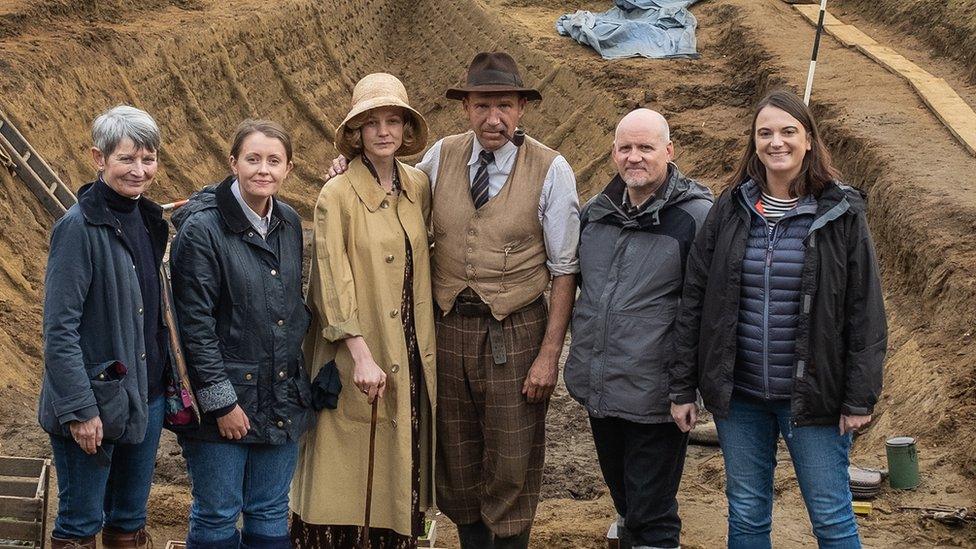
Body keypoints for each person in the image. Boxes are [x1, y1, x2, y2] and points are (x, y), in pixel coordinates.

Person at [328, 52, 581, 549]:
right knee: (456, 454)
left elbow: (565, 269)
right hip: (447, 330)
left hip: (517, 332)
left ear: (521, 109)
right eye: (483, 105)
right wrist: (349, 166)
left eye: (505, 106)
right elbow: (389, 187)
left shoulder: (552, 169)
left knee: (512, 458)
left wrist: (549, 356)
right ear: (465, 108)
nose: (494, 118)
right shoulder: (440, 158)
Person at [669, 89, 886, 549]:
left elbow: (865, 311)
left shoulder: (841, 213)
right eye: (765, 133)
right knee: (746, 513)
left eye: (789, 132)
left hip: (814, 400)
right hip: (741, 396)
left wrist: (859, 397)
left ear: (809, 141)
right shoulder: (730, 208)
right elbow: (696, 300)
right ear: (753, 143)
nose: (777, 142)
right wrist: (683, 387)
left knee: (830, 515)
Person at [289, 72, 436, 548]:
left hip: (410, 349)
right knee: (346, 468)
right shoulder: (336, 194)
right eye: (371, 123)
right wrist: (361, 354)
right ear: (356, 133)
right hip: (358, 351)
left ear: (406, 129)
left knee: (399, 459)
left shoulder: (419, 185)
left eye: (393, 120)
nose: (384, 132)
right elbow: (331, 281)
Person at [564, 109, 712, 549]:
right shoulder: (597, 213)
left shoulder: (696, 218)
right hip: (601, 391)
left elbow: (705, 313)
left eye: (646, 148)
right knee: (627, 502)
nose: (635, 157)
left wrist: (687, 389)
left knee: (653, 515)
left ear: (668, 151)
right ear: (613, 153)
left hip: (656, 396)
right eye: (626, 148)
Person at [170, 120, 312, 549]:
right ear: (233, 163)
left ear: (288, 168)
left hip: (279, 396)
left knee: (270, 511)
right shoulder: (202, 230)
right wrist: (221, 403)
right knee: (217, 512)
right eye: (252, 159)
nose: (262, 170)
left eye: (274, 160)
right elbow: (194, 327)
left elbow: (288, 310)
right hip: (226, 403)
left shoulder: (288, 221)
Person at [38, 105, 170, 549]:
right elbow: (59, 330)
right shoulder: (77, 228)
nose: (139, 170)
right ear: (99, 158)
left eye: (148, 158)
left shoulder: (149, 220)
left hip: (146, 398)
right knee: (80, 523)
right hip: (94, 402)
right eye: (126, 158)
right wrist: (79, 410)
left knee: (129, 520)